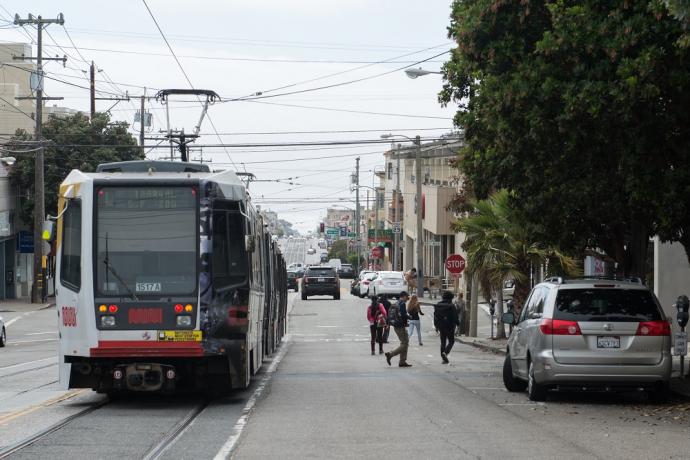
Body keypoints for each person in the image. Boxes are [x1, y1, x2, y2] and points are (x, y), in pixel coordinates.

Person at [385, 291, 412, 367]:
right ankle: (390, 354)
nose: (407, 298)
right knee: (404, 344)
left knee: (405, 342)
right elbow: (403, 315)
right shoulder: (402, 304)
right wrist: (410, 317)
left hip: (396, 325)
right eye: (407, 297)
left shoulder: (396, 303)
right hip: (400, 326)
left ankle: (402, 361)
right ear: (403, 296)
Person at [434, 291, 460, 364]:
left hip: (441, 326)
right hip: (450, 326)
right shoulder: (451, 306)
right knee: (451, 341)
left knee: (443, 342)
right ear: (451, 298)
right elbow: (455, 317)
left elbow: (435, 316)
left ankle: (443, 358)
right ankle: (445, 352)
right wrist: (458, 324)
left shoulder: (438, 305)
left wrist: (436, 326)